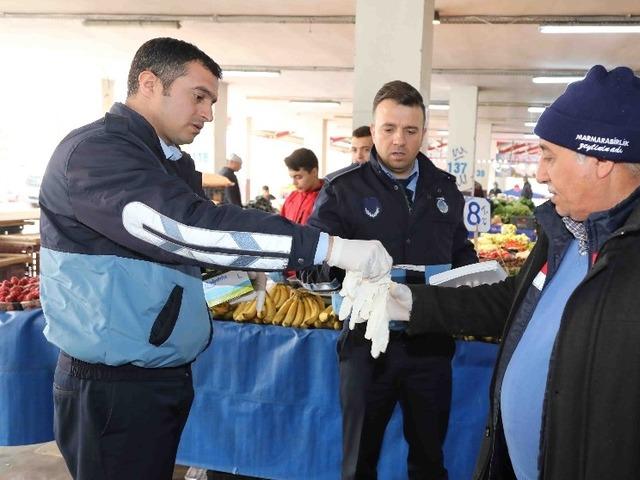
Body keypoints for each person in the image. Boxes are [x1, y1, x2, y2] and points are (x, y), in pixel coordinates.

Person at [386, 65, 640, 479]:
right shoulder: (568, 230)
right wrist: (412, 303)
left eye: (549, 156)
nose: (539, 172)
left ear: (599, 160)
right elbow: (514, 304)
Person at [39, 37, 392, 480]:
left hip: (154, 372)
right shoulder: (98, 154)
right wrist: (329, 247)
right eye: (199, 97)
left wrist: (246, 269)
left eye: (212, 101)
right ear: (150, 84)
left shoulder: (163, 161)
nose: (207, 113)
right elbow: (185, 229)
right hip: (114, 384)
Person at [308, 80, 478, 480]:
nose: (399, 140)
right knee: (359, 461)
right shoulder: (342, 190)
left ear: (423, 133)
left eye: (410, 130)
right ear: (373, 129)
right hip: (367, 344)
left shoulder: (445, 189)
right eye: (388, 129)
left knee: (429, 459)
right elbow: (311, 261)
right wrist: (343, 265)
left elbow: (460, 251)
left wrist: (474, 278)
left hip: (431, 344)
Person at [280, 147, 323, 225]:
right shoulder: (291, 198)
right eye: (292, 177)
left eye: (298, 177)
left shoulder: (327, 200)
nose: (294, 183)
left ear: (314, 172)